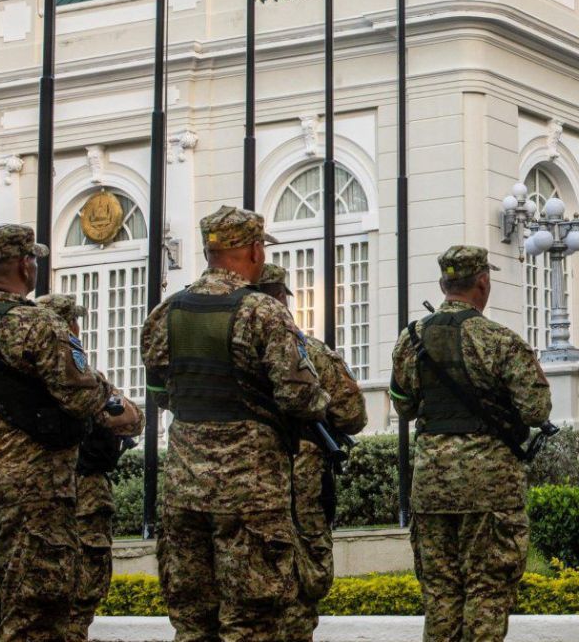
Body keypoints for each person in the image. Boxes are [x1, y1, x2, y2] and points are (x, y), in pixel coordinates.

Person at [0, 224, 138, 642]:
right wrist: (121, 410)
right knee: (35, 621)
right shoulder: (38, 326)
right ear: (25, 264)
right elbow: (85, 401)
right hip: (34, 495)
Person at [142, 206, 328, 642]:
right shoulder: (263, 312)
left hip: (184, 489)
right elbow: (302, 397)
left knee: (193, 622)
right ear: (255, 249)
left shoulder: (165, 313)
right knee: (251, 621)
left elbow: (161, 393)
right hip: (250, 492)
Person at [390, 245, 551, 642]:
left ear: (444, 284)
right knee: (487, 590)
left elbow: (404, 405)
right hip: (489, 486)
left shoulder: (411, 339)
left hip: (430, 486)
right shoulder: (499, 340)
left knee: (441, 593)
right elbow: (535, 409)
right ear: (483, 282)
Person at [252, 261, 368, 641]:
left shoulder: (226, 352)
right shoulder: (308, 352)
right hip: (297, 481)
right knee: (301, 581)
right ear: (284, 300)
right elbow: (352, 414)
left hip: (232, 481)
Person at [38, 292, 144, 642]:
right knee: (78, 596)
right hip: (80, 493)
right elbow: (130, 419)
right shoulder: (79, 375)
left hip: (32, 495)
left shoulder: (13, 378)